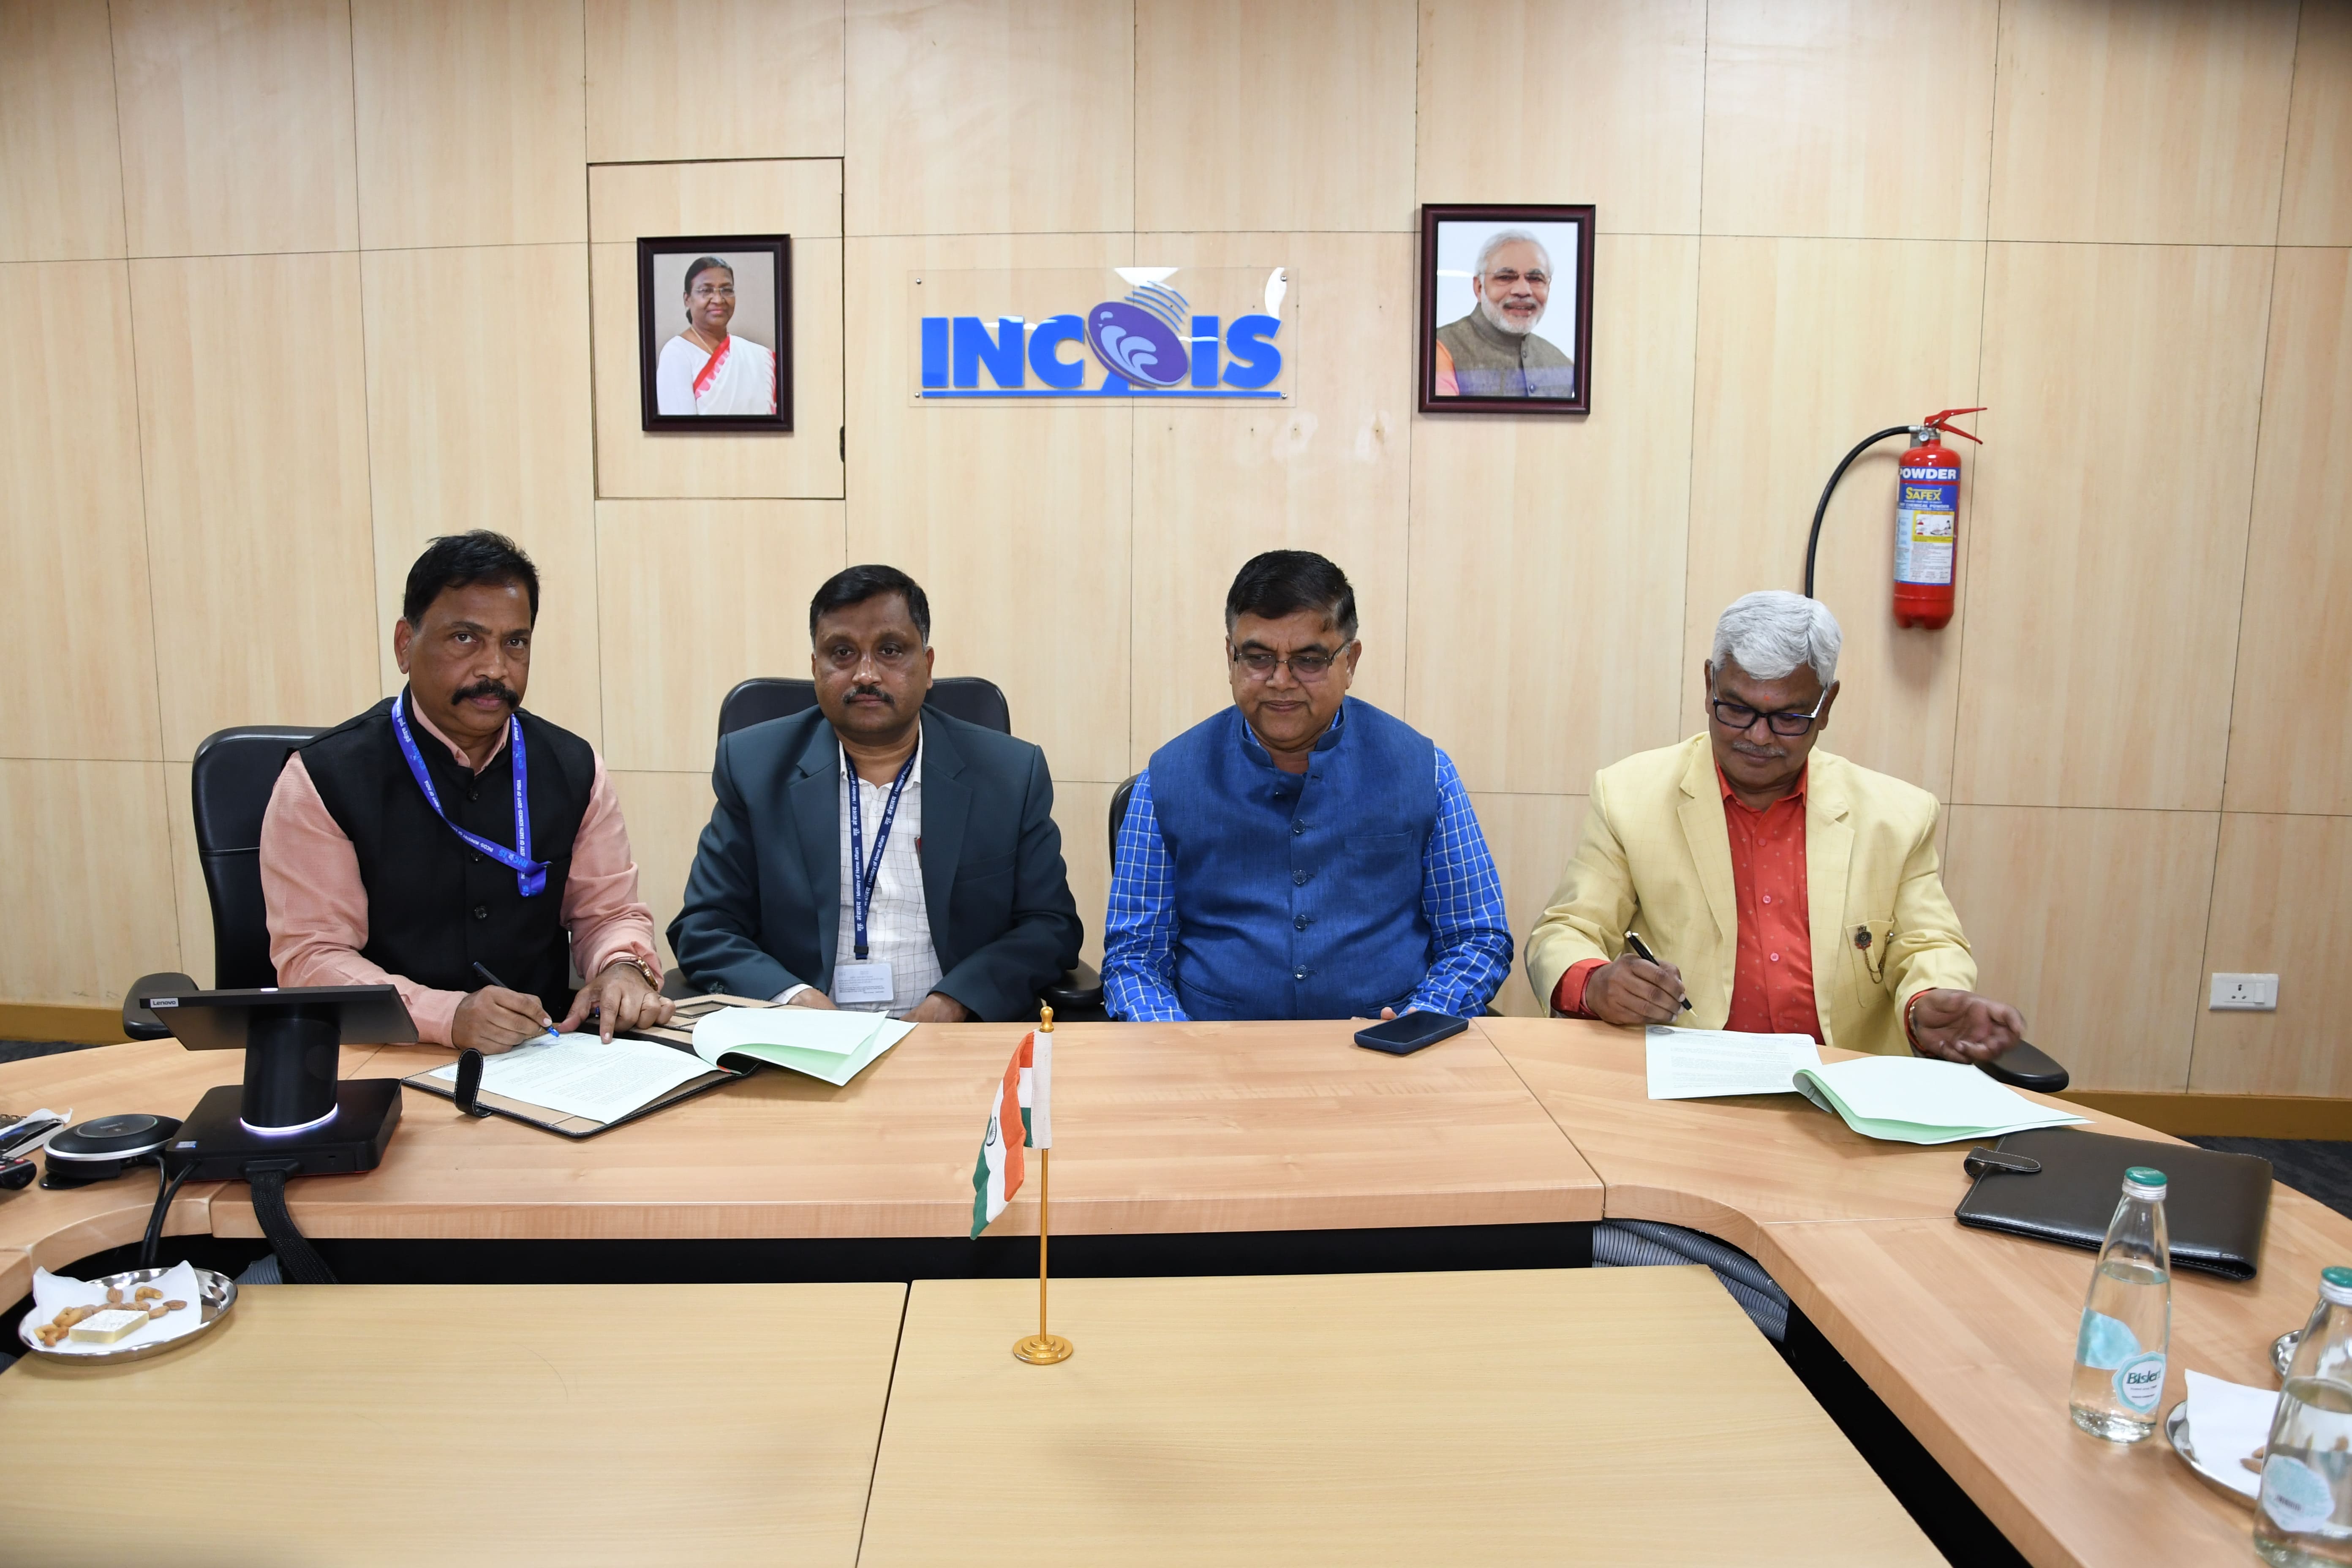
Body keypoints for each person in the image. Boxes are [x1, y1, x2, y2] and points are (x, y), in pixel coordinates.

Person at [1526, 590, 2026, 1062]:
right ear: (1709, 686)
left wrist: (1927, 1000)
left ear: (1826, 706)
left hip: (1838, 1085)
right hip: (1683, 1078)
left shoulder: (1897, 816)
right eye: (1738, 709)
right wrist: (1595, 984)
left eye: (1788, 717)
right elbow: (1565, 931)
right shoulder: (1629, 795)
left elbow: (1929, 945)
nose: (1759, 737)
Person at [260, 532, 673, 1052]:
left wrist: (622, 968)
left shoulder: (575, 768)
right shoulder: (323, 779)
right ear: (405, 644)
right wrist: (446, 1016)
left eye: (515, 643)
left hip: (542, 1057)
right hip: (384, 1056)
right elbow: (312, 958)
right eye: (465, 638)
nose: (495, 669)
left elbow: (608, 915)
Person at [1103, 551, 1512, 1022]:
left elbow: (1477, 937)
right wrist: (1178, 1043)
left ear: (1350, 661)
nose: (1281, 681)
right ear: (1231, 658)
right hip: (1214, 1050)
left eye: (1309, 660)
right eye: (1258, 658)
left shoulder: (1427, 772)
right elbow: (1134, 957)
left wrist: (1419, 1022)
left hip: (1386, 1049)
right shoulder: (1165, 782)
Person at [669, 566, 1082, 1023]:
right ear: (815, 668)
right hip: (802, 1040)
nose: (866, 675)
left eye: (890, 651)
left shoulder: (1008, 774)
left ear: (928, 667)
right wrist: (793, 998)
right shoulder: (754, 768)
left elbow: (1050, 926)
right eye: (842, 653)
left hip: (953, 1040)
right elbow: (706, 927)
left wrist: (956, 1002)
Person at [1432, 229, 1575, 399]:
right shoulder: (1440, 349)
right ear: (1479, 288)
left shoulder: (1562, 364)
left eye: (1536, 279)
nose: (1523, 290)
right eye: (1506, 277)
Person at [654, 256, 778, 416]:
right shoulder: (677, 353)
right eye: (706, 291)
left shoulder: (760, 357)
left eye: (727, 290)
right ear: (687, 299)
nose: (719, 300)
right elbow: (682, 429)